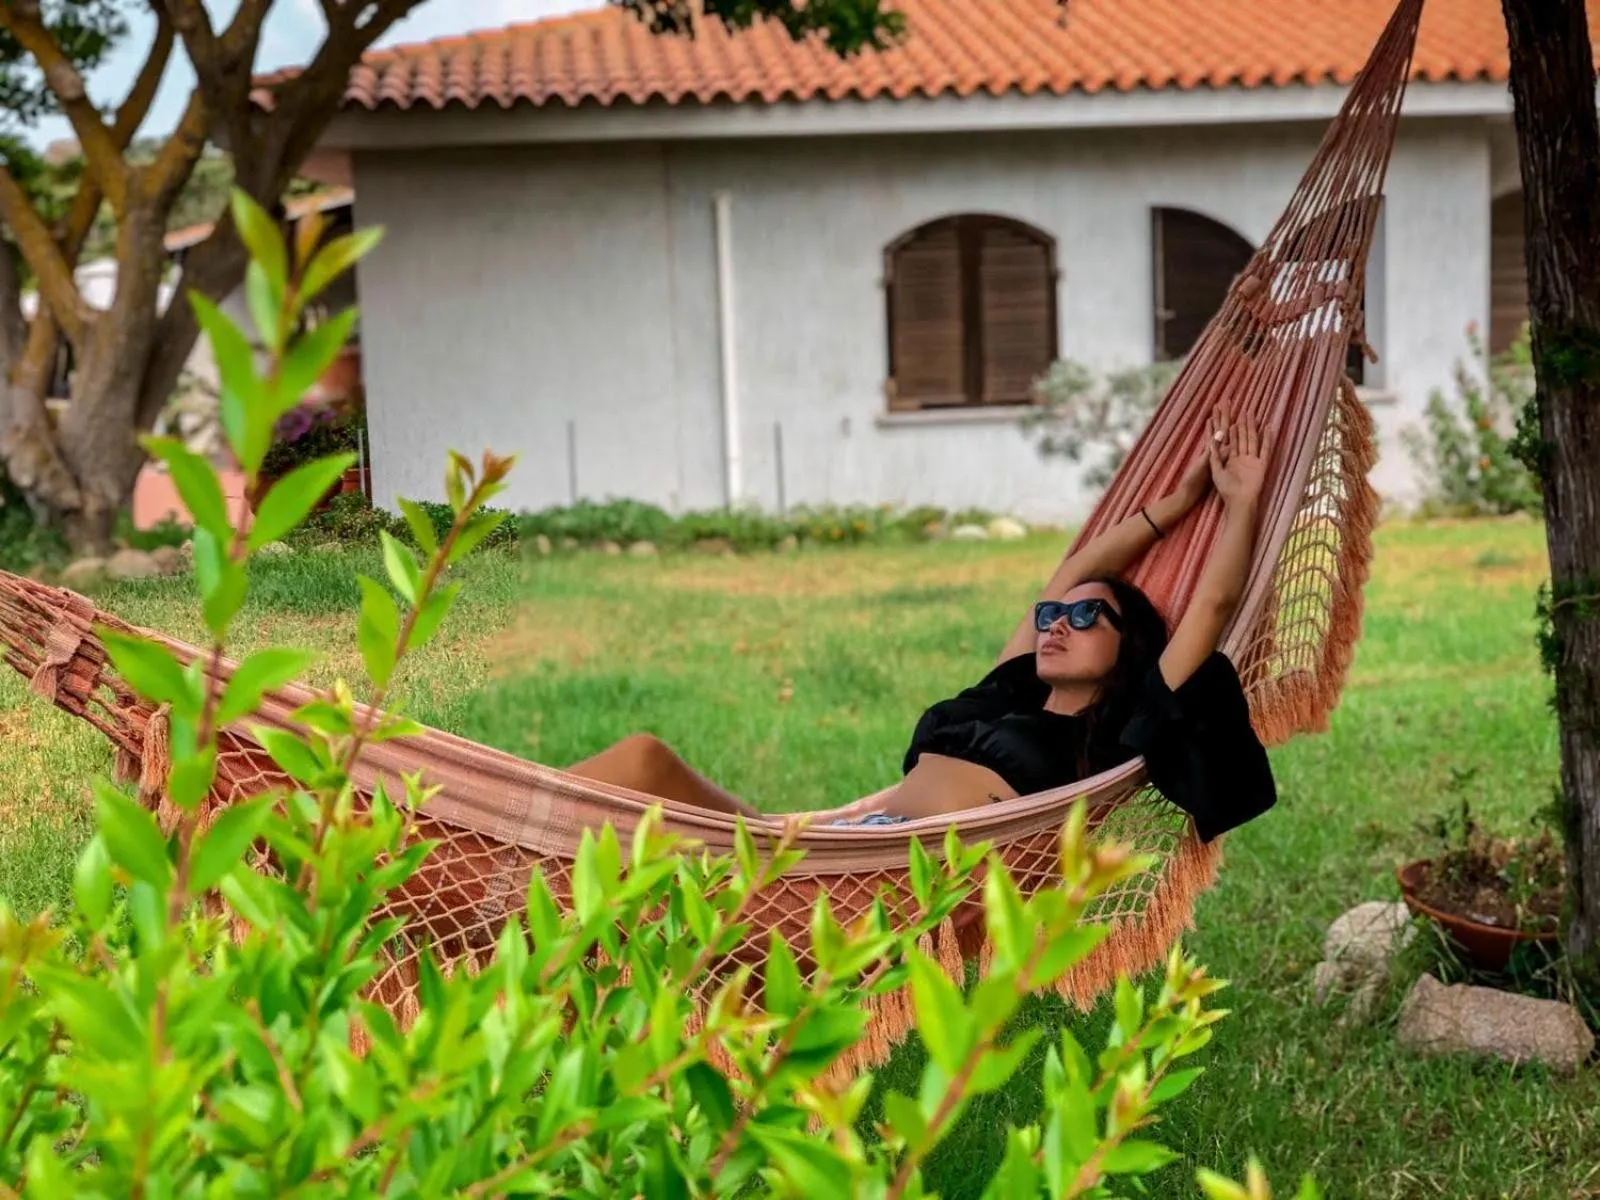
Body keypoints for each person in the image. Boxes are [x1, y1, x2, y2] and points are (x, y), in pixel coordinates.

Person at [568, 408, 1276, 842]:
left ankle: (490, 884)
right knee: (642, 760)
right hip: (831, 841)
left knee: (633, 838)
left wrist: (1234, 501)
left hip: (878, 883)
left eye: (1088, 616)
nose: (1059, 622)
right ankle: (476, 847)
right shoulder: (1006, 694)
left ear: (1130, 648)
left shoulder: (1122, 729)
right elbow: (1067, 570)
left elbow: (1209, 608)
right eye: (1051, 617)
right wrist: (1171, 502)